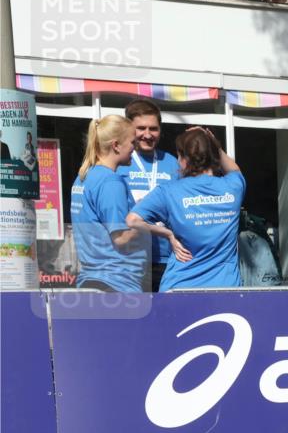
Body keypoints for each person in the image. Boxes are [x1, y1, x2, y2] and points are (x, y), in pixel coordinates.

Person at [70, 115, 186, 292]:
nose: (135, 146)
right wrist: (144, 216)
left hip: (93, 279)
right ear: (116, 145)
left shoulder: (84, 176)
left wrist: (159, 229)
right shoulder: (111, 182)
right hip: (117, 282)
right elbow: (121, 238)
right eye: (132, 142)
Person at [127, 127, 244, 290]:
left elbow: (132, 220)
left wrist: (168, 234)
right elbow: (234, 169)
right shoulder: (233, 187)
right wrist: (214, 144)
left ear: (184, 159)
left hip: (179, 288)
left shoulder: (168, 191)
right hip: (225, 287)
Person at [118, 99, 182, 292]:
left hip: (166, 258)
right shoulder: (120, 163)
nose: (147, 135)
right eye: (141, 128)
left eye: (153, 129)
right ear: (129, 129)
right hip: (130, 258)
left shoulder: (172, 163)